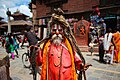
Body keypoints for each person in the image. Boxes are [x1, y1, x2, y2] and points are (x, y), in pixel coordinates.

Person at [36, 8, 91, 80]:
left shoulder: (69, 45)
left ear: (64, 31)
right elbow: (39, 62)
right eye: (54, 30)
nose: (57, 32)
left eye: (60, 30)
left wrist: (81, 66)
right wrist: (37, 52)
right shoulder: (45, 46)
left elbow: (76, 58)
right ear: (50, 31)